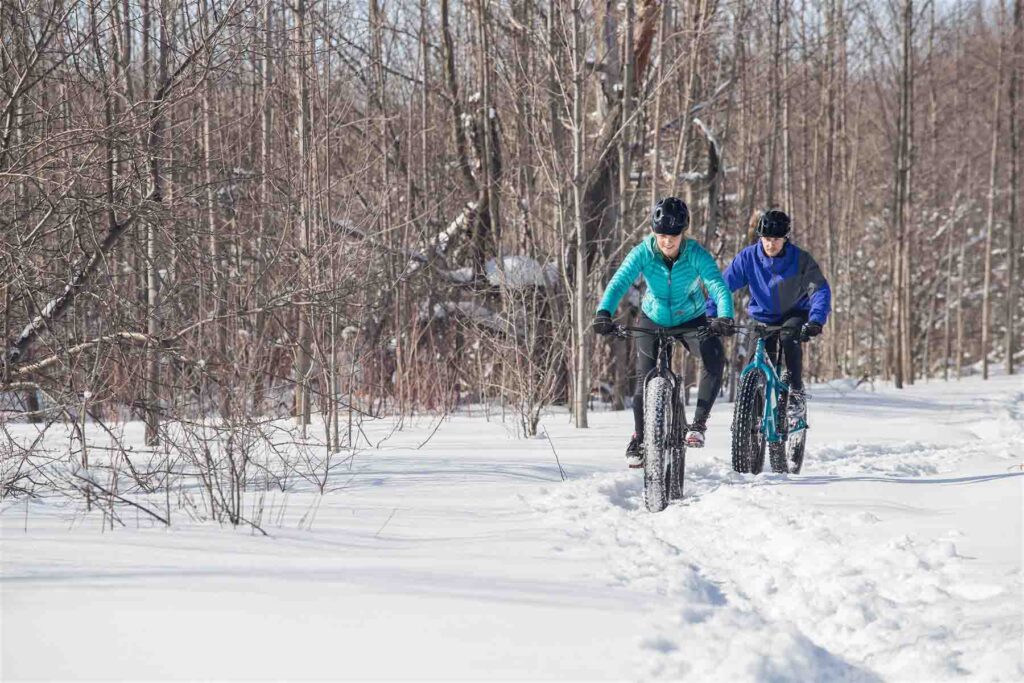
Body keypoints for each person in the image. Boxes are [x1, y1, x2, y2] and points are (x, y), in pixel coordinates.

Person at [592, 197, 734, 467]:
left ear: (684, 233)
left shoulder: (695, 254)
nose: (667, 241)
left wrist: (725, 316)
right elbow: (619, 280)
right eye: (661, 235)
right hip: (653, 317)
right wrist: (603, 312)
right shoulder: (643, 252)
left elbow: (716, 284)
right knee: (644, 380)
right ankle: (640, 437)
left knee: (714, 357)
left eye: (673, 235)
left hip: (691, 318)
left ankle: (698, 425)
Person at [706, 209, 832, 415]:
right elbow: (723, 286)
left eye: (775, 239)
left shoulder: (800, 260)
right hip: (762, 316)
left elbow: (819, 290)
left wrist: (816, 320)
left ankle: (796, 392)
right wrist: (712, 313)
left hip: (794, 313)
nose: (770, 244)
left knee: (789, 336)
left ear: (785, 239)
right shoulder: (748, 257)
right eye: (766, 239)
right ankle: (749, 420)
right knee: (753, 364)